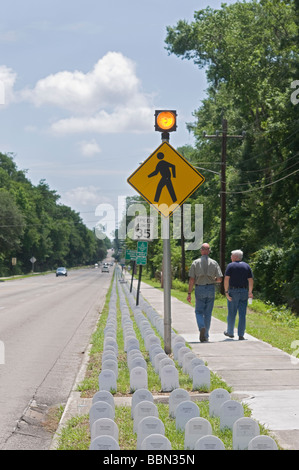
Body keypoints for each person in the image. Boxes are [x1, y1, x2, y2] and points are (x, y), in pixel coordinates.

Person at [187, 243, 223, 342]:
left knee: (198, 311)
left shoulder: (195, 263)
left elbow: (191, 280)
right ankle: (206, 335)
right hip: (211, 288)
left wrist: (189, 293)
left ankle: (201, 327)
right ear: (209, 251)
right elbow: (220, 279)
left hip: (200, 289)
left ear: (201, 251)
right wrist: (213, 279)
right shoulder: (214, 263)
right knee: (208, 313)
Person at [224, 249, 254, 340]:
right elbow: (251, 280)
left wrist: (226, 291)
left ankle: (230, 332)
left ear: (236, 257)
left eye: (232, 255)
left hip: (233, 291)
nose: (230, 257)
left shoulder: (230, 266)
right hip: (244, 291)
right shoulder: (246, 266)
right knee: (242, 314)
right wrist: (250, 291)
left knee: (232, 313)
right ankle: (241, 334)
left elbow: (226, 279)